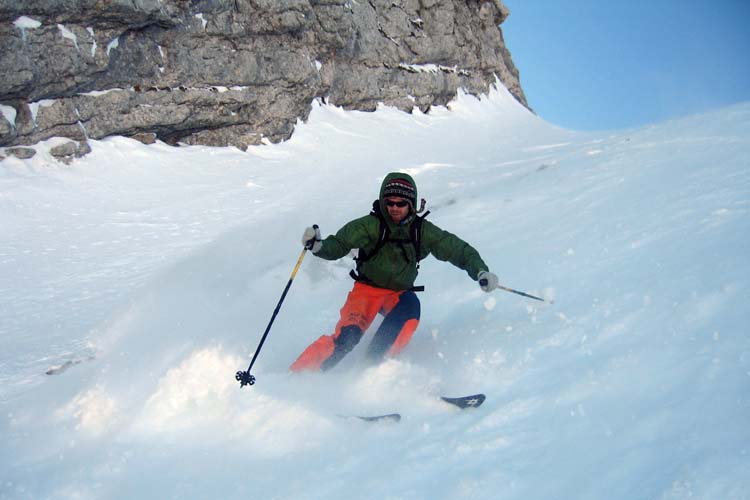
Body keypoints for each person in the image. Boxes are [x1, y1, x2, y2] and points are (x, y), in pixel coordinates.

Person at [290, 172, 499, 372]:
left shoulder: (422, 231)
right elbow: (339, 244)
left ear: (411, 204)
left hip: (398, 293)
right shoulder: (370, 225)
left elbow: (456, 249)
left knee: (410, 311)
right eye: (389, 203)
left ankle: (371, 370)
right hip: (366, 291)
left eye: (401, 203)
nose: (394, 208)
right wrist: (318, 246)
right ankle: (299, 375)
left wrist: (480, 272)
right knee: (348, 337)